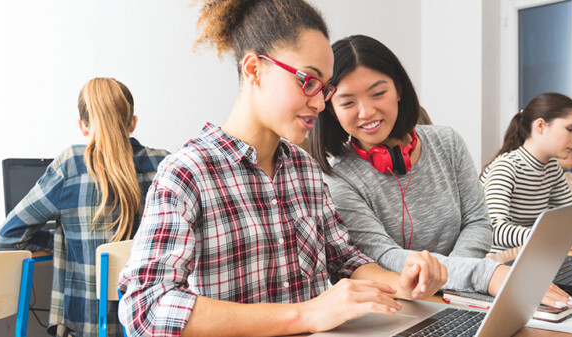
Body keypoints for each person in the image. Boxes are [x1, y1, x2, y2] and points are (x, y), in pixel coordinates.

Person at [117, 2, 449, 336]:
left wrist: (404, 284)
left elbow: (345, 260)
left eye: (325, 88)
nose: (320, 103)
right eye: (308, 81)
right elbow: (146, 308)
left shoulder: (305, 169)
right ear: (254, 69)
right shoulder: (187, 173)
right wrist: (304, 315)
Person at [310, 34, 572, 308]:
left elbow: (478, 222)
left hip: (467, 294)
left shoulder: (447, 142)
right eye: (347, 102)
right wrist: (483, 275)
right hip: (406, 304)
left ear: (399, 89)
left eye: (378, 93)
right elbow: (383, 254)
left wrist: (456, 278)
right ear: (330, 109)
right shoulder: (337, 179)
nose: (366, 112)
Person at [0, 78, 169, 336]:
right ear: (132, 123)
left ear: (83, 127)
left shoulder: (72, 165)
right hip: (152, 325)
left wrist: (62, 241)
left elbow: (6, 238)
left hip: (89, 327)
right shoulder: (164, 164)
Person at [480, 92, 572, 254]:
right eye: (570, 129)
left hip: (537, 254)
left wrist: (554, 228)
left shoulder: (551, 168)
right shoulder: (506, 167)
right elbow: (493, 231)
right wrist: (555, 236)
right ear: (541, 126)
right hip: (501, 261)